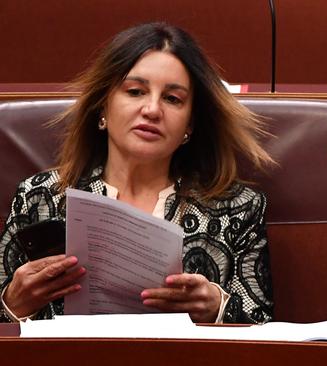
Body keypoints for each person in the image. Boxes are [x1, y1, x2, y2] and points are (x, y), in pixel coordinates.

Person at [0, 22, 274, 324]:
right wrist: (14, 305)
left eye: (172, 99)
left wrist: (218, 310)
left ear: (190, 126)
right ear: (103, 107)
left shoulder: (238, 208)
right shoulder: (38, 197)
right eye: (135, 91)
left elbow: (264, 332)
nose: (152, 110)